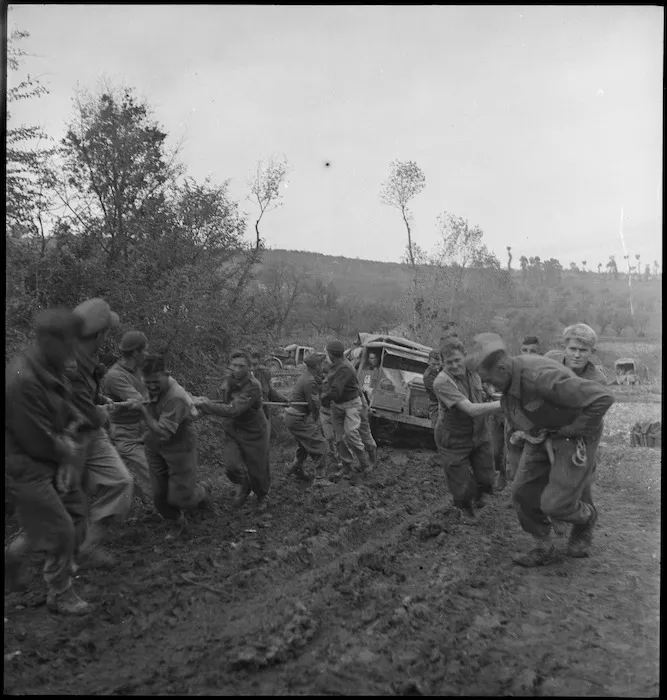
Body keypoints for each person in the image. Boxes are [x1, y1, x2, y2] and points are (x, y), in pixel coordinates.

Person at [469, 333, 615, 566]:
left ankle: (585, 518)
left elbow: (603, 398)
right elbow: (520, 414)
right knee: (522, 493)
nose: (488, 386)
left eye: (489, 380)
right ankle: (543, 545)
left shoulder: (540, 377)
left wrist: (570, 430)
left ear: (502, 367)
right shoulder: (509, 385)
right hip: (543, 433)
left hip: (574, 435)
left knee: (555, 504)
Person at [5, 310, 92, 615]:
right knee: (62, 528)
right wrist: (67, 449)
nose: (72, 351)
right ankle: (61, 592)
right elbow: (36, 438)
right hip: (24, 467)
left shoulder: (48, 367)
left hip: (43, 461)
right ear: (47, 340)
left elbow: (58, 406)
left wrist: (74, 418)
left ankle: (12, 559)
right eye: (68, 343)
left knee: (55, 522)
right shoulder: (22, 380)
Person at [67, 298, 134, 568]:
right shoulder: (70, 366)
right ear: (97, 334)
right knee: (69, 500)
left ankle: (88, 544)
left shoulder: (86, 358)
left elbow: (89, 398)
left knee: (121, 483)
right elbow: (86, 413)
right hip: (70, 439)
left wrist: (101, 399)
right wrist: (103, 413)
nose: (108, 336)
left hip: (88, 434)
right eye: (106, 331)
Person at [135, 355, 210, 529]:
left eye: (156, 381)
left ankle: (204, 491)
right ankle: (177, 522)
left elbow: (163, 432)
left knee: (182, 497)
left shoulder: (176, 396)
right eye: (147, 382)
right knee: (159, 496)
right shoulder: (147, 384)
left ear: (166, 374)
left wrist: (143, 412)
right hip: (154, 444)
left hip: (178, 442)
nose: (151, 386)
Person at [432, 338, 502, 524]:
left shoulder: (473, 371)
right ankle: (465, 508)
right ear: (442, 363)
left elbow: (486, 391)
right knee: (461, 483)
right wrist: (503, 404)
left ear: (465, 357)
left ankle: (479, 492)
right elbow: (470, 409)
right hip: (454, 438)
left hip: (479, 432)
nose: (454, 366)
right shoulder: (442, 382)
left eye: (457, 360)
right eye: (449, 362)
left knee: (487, 476)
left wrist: (499, 395)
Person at [544, 324, 608, 523]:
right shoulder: (549, 362)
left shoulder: (597, 380)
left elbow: (586, 421)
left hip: (583, 433)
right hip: (550, 426)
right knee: (542, 476)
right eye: (573, 349)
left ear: (592, 352)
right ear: (564, 347)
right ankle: (549, 526)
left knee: (581, 480)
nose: (577, 355)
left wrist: (558, 430)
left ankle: (585, 520)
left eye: (583, 350)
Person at [196, 349, 270, 509]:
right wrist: (204, 402)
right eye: (234, 365)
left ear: (249, 367)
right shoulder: (228, 380)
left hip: (254, 431)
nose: (237, 369)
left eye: (241, 366)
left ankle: (262, 496)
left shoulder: (254, 387)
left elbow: (233, 409)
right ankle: (244, 485)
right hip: (233, 429)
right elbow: (223, 401)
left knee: (258, 470)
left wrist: (206, 406)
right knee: (231, 467)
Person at [103, 331, 153, 510]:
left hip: (146, 427)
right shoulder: (115, 376)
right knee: (152, 476)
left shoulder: (143, 367)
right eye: (145, 350)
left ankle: (194, 495)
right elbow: (143, 402)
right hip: (127, 434)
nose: (147, 354)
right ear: (135, 353)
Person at [321, 340, 371, 476]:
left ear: (332, 355)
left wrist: (322, 398)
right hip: (337, 405)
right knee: (339, 438)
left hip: (351, 404)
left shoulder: (344, 368)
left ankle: (364, 463)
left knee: (351, 434)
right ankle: (346, 465)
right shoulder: (335, 365)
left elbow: (336, 391)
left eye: (327, 353)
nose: (326, 356)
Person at [284, 353, 332, 485]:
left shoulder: (307, 376)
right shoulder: (310, 381)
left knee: (304, 444)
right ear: (317, 366)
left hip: (293, 417)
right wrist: (315, 421)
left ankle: (295, 467)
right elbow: (314, 406)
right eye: (322, 364)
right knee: (320, 444)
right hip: (298, 418)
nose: (324, 366)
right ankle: (320, 478)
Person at [249, 349, 289, 439]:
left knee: (264, 446)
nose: (251, 368)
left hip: (264, 416)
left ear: (258, 363)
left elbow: (270, 392)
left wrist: (283, 399)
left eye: (254, 364)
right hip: (248, 421)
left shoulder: (263, 374)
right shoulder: (238, 379)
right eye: (249, 365)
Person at [319, 358, 344, 473]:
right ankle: (334, 460)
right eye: (323, 374)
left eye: (327, 374)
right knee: (329, 438)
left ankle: (342, 460)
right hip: (324, 412)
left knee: (340, 439)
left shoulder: (336, 384)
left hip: (336, 413)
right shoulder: (321, 384)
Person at [422, 350, 443, 468]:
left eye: (438, 364)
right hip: (436, 403)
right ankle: (442, 453)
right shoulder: (428, 376)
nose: (436, 367)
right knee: (438, 428)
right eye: (433, 364)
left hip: (446, 400)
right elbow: (438, 393)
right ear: (428, 362)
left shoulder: (442, 368)